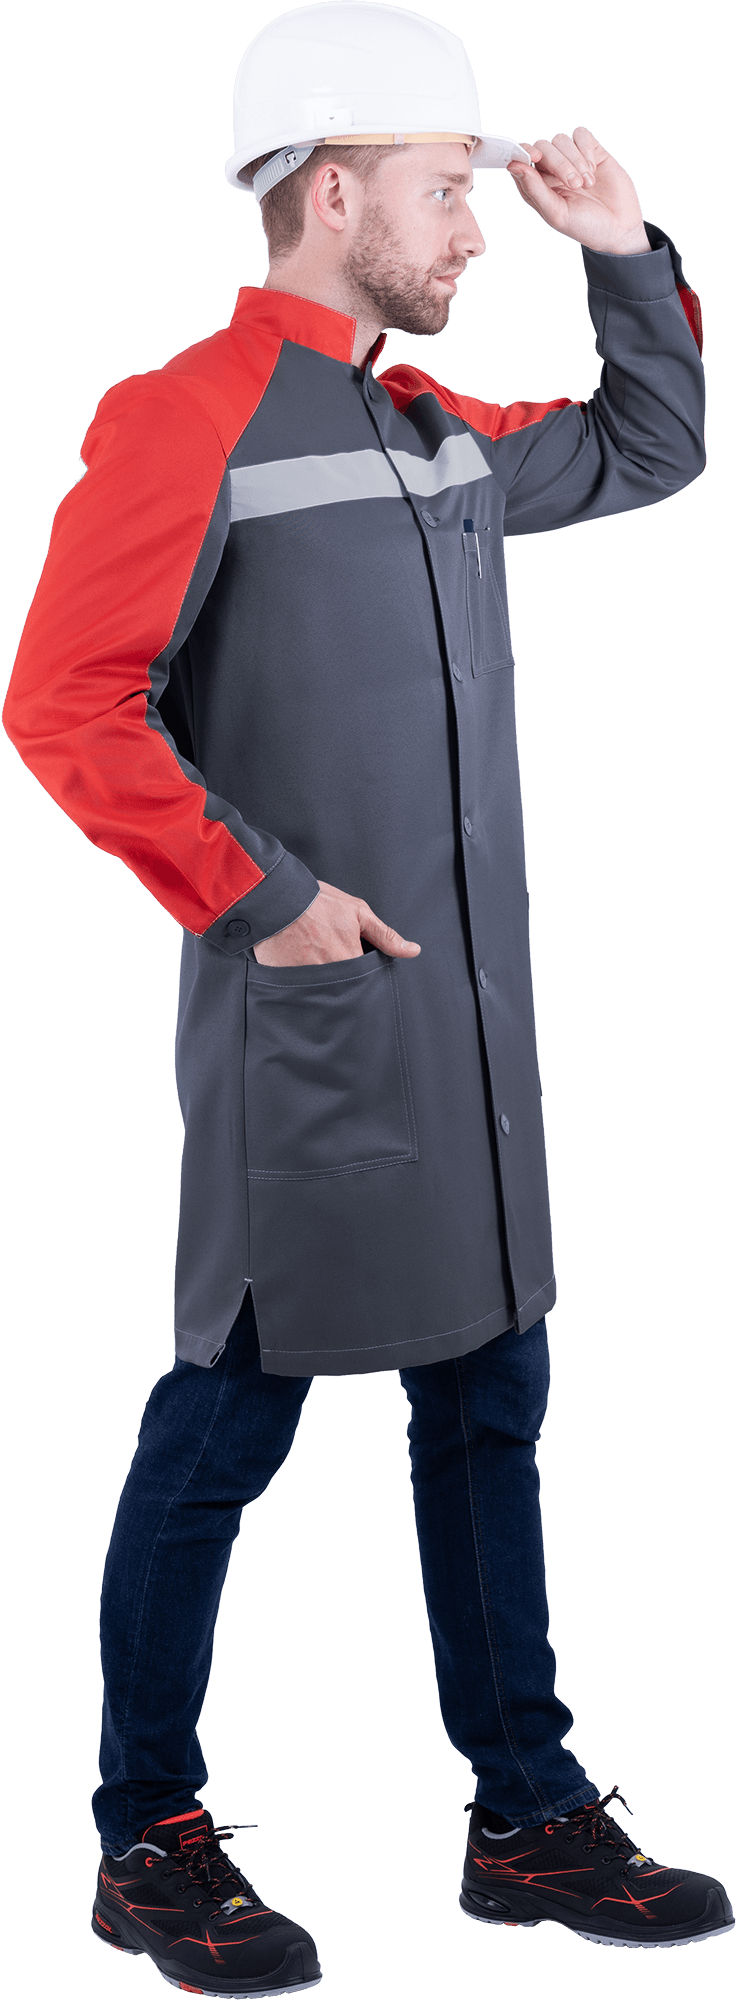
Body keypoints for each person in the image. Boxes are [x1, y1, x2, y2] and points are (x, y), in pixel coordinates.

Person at [4, 3, 730, 1987]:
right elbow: (63, 703)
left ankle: (525, 1810)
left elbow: (649, 448)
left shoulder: (431, 430)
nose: (473, 235)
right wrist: (262, 898)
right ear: (333, 192)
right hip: (305, 1029)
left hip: (471, 1042)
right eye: (444, 194)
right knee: (226, 1418)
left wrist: (618, 250)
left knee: (490, 1395)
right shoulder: (185, 417)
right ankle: (145, 1831)